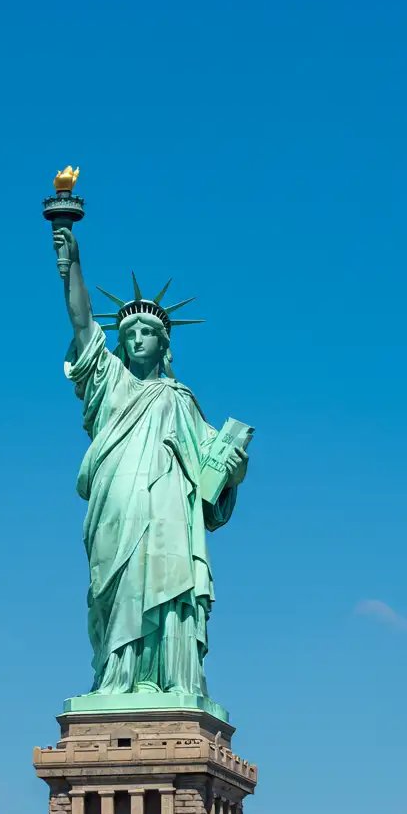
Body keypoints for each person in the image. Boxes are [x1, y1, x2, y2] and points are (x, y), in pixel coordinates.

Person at [52, 224, 249, 700]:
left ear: (164, 344)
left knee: (169, 586)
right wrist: (71, 264)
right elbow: (82, 323)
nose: (138, 339)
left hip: (168, 511)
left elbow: (214, 469)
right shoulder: (108, 383)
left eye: (148, 333)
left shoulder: (180, 399)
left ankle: (170, 679)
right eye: (130, 333)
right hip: (116, 505)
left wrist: (235, 467)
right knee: (117, 586)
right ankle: (116, 678)